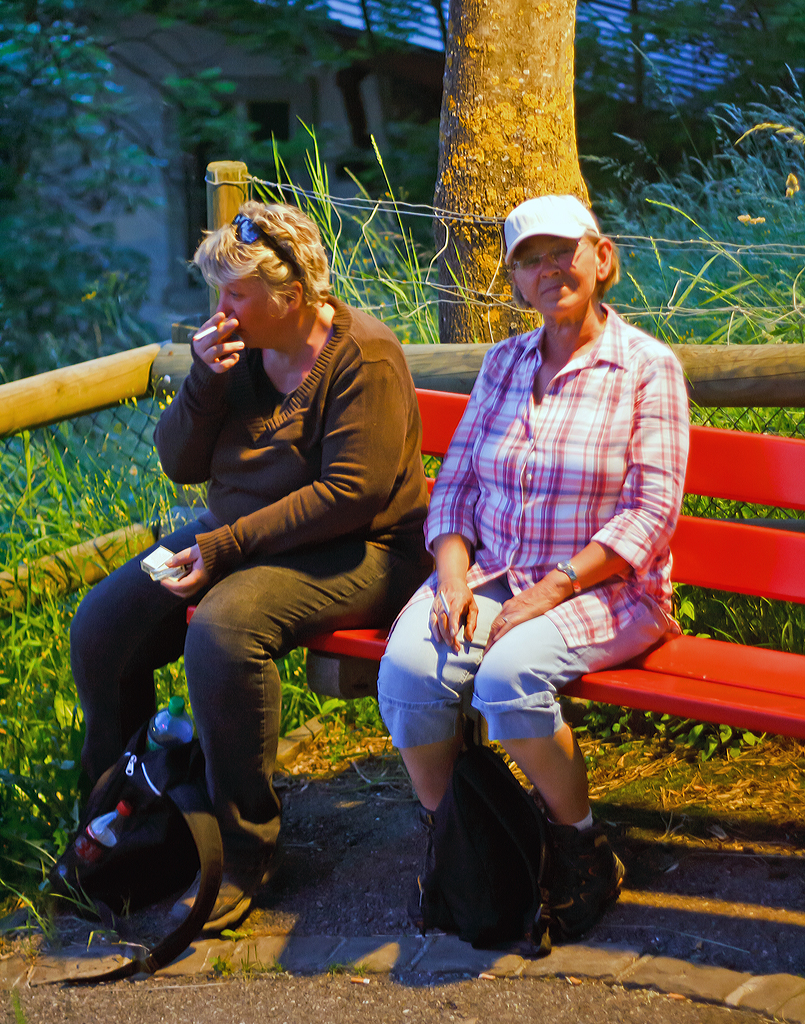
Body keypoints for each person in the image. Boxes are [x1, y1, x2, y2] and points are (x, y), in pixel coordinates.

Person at [71, 200, 431, 932]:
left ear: (289, 296)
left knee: (226, 630)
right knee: (103, 625)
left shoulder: (362, 355)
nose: (221, 310)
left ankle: (244, 853)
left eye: (235, 294)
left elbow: (350, 495)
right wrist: (203, 380)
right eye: (218, 293)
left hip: (362, 551)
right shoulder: (233, 352)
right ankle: (118, 823)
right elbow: (180, 464)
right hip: (231, 533)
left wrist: (224, 551)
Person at [377, 194, 689, 939]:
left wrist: (553, 588)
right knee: (412, 673)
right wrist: (452, 578)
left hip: (606, 590)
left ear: (600, 258)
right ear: (514, 281)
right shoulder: (503, 362)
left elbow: (650, 513)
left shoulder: (647, 368)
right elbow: (453, 486)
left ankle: (580, 845)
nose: (549, 271)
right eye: (530, 260)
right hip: (494, 576)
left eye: (563, 253)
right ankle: (459, 841)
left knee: (505, 673)